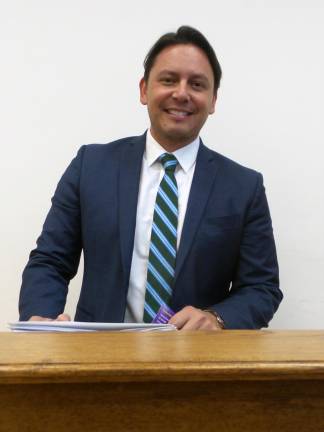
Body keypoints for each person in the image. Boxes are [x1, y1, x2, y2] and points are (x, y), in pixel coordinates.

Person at [19, 26, 282, 330]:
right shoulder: (91, 166)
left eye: (197, 84)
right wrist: (41, 320)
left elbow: (262, 288)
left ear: (212, 101)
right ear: (144, 90)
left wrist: (217, 318)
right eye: (168, 80)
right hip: (98, 359)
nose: (181, 93)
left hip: (198, 364)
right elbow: (50, 261)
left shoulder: (243, 187)